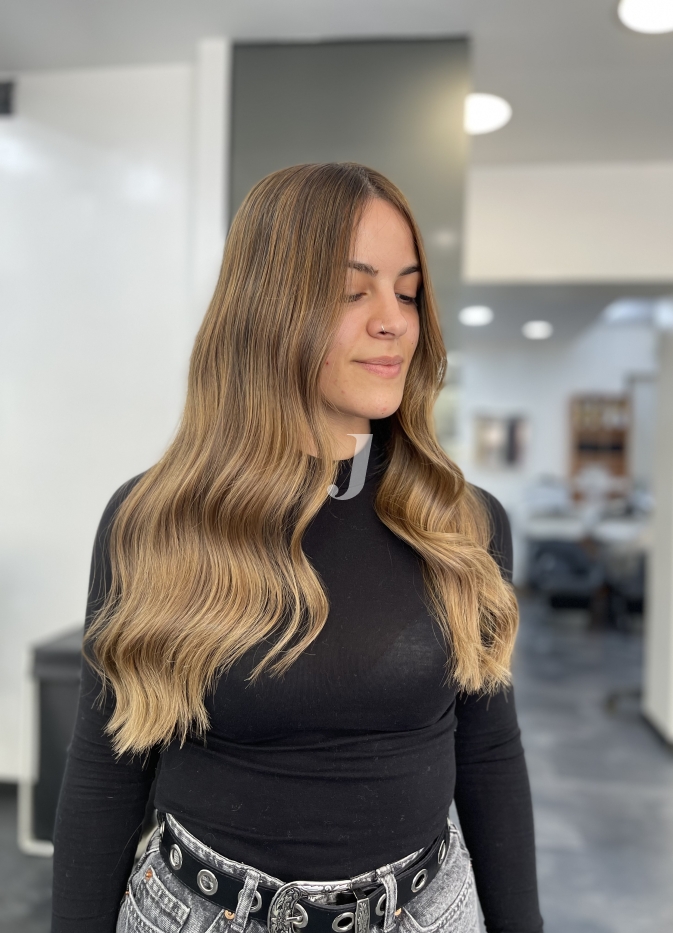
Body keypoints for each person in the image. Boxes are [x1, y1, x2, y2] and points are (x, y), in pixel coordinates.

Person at [51, 163, 544, 933]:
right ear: (267, 308)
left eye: (408, 291)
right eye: (355, 292)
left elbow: (489, 757)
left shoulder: (465, 525)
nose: (395, 321)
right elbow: (105, 773)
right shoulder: (154, 522)